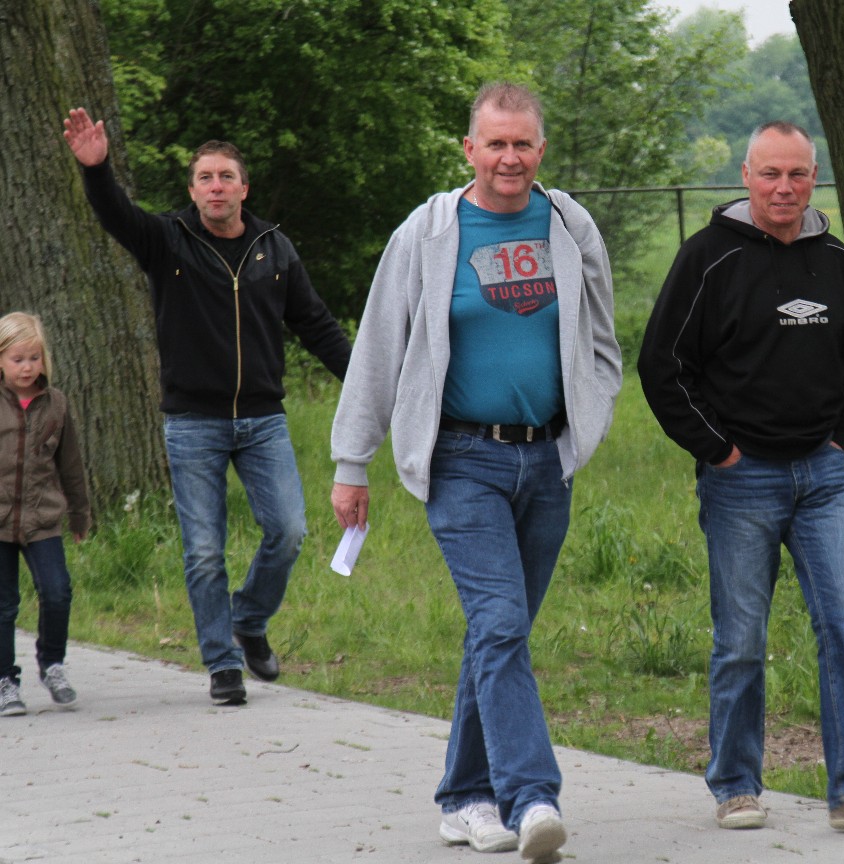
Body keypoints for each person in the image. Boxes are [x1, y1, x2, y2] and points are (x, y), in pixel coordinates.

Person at [330, 83, 620, 863]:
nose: (509, 158)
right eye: (496, 144)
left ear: (541, 149)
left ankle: (464, 797)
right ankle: (533, 797)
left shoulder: (569, 225)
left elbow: (601, 338)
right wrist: (352, 461)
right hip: (463, 459)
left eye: (523, 143)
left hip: (546, 459)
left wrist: (588, 421)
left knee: (501, 633)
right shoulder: (429, 231)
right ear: (470, 150)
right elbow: (379, 347)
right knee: (499, 623)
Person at [637, 121, 844, 834]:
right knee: (740, 641)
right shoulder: (707, 258)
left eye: (797, 174)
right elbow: (662, 366)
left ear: (814, 178)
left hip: (824, 478)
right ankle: (736, 785)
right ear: (746, 176)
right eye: (770, 173)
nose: (783, 187)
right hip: (742, 482)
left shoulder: (836, 260)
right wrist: (718, 450)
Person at [62, 108, 351, 706]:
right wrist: (96, 170)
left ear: (244, 188)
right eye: (204, 178)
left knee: (289, 532)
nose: (215, 187)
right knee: (203, 551)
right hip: (193, 421)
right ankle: (223, 664)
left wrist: (368, 386)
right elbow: (116, 214)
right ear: (192, 191)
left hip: (263, 420)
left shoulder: (275, 249)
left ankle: (249, 620)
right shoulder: (167, 239)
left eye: (225, 177)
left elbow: (317, 326)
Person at [0, 312, 91, 716]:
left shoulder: (56, 404)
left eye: (34, 358)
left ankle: (52, 665)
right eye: (17, 359)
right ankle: (5, 680)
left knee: (57, 592)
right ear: (1, 360)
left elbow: (71, 465)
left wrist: (80, 514)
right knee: (4, 604)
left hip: (42, 519)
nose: (26, 367)